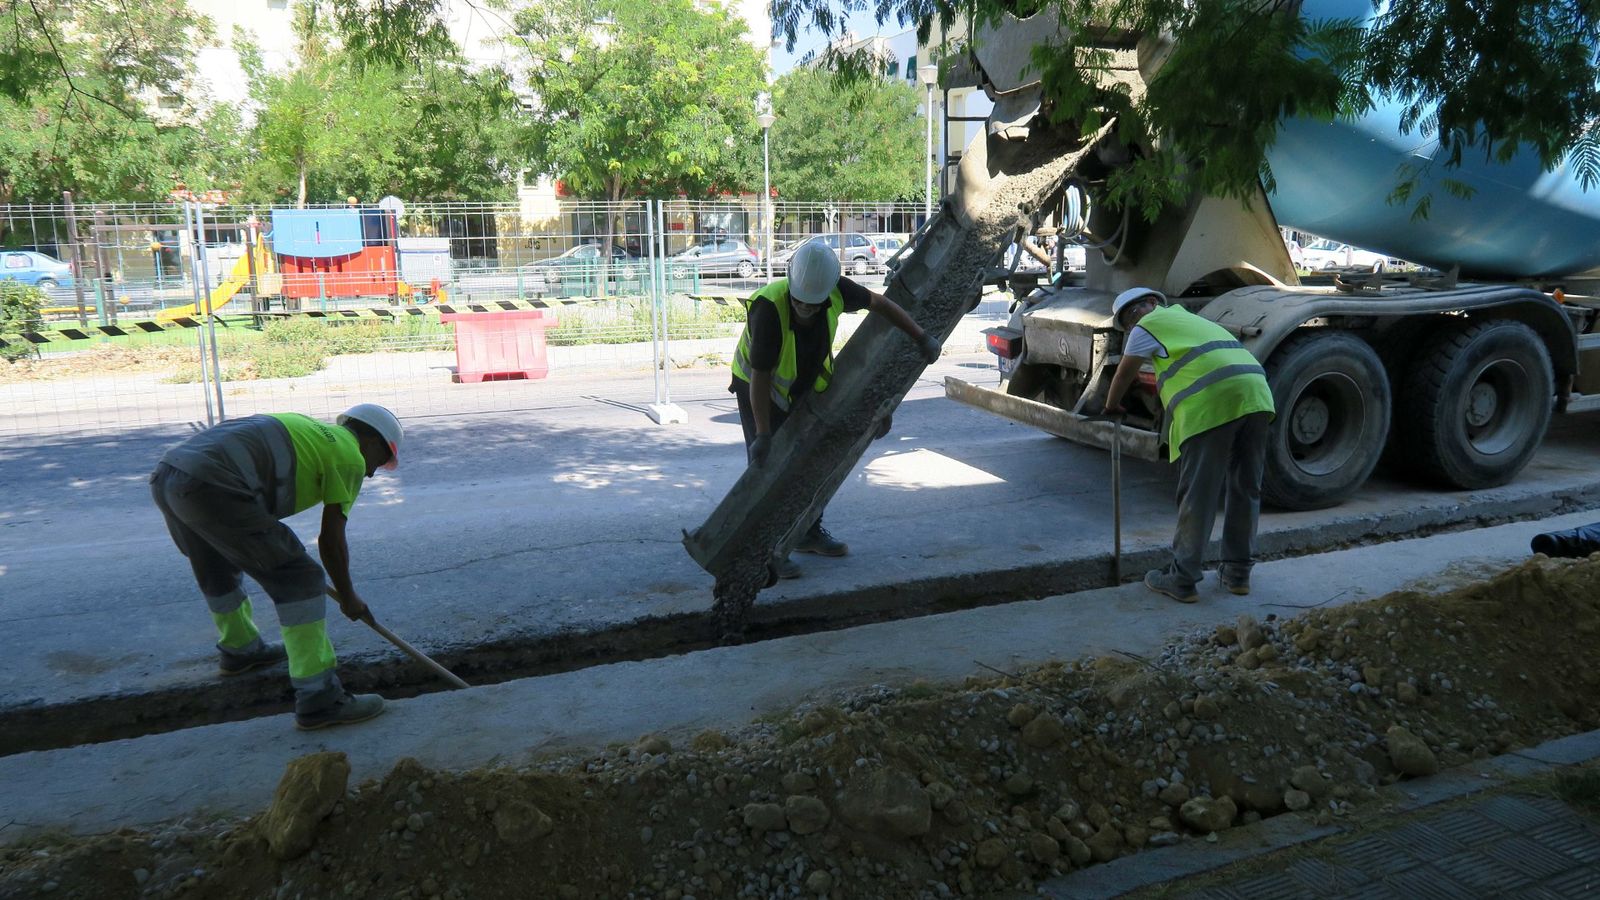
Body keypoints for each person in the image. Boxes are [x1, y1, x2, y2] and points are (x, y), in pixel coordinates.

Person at [150, 404, 403, 730]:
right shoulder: (349, 455)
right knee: (302, 579)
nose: (372, 473)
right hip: (212, 483)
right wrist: (348, 596)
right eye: (381, 461)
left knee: (216, 564)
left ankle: (240, 648)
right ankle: (319, 697)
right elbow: (331, 540)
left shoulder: (311, 430)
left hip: (169, 475)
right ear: (372, 441)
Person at [731, 239, 942, 578]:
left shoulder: (836, 290)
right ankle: (766, 549)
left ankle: (808, 533)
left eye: (814, 305)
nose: (807, 309)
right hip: (757, 389)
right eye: (801, 302)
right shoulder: (769, 310)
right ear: (792, 285)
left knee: (810, 460)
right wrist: (763, 432)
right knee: (771, 468)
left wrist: (920, 336)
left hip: (801, 384)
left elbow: (882, 305)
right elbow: (760, 377)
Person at [1103, 288, 1276, 603]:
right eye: (1128, 323)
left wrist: (1112, 405)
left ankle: (1182, 578)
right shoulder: (1192, 321)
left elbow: (1123, 374)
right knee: (1245, 487)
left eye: (1130, 318)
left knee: (1199, 492)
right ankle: (1237, 574)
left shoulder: (1147, 325)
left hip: (1212, 404)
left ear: (1151, 305)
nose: (1131, 326)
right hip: (1257, 395)